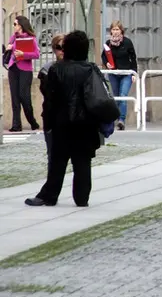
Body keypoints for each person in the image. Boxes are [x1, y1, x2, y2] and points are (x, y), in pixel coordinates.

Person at [25, 31, 105, 207]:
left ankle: (50, 195)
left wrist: (49, 122)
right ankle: (81, 198)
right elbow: (100, 96)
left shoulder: (57, 69)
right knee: (83, 163)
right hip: (86, 123)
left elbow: (50, 98)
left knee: (58, 161)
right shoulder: (91, 69)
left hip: (62, 122)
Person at [5, 15, 40, 132]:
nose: (14, 26)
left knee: (24, 97)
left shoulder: (30, 38)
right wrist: (8, 48)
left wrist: (23, 55)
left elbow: (36, 54)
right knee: (15, 98)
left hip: (25, 70)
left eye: (15, 24)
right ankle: (16, 125)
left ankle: (32, 121)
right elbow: (9, 53)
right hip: (13, 68)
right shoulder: (13, 38)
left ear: (20, 25)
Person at [101, 20, 138, 130]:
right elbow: (103, 56)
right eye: (113, 29)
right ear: (111, 31)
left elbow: (133, 58)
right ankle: (116, 119)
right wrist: (106, 63)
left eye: (117, 29)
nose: (115, 31)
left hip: (126, 73)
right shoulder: (108, 43)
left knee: (123, 95)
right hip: (113, 74)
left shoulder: (127, 42)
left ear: (121, 31)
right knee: (116, 97)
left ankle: (122, 120)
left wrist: (134, 73)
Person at [38, 33, 65, 166]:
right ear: (54, 49)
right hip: (53, 117)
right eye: (60, 47)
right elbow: (47, 93)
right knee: (53, 155)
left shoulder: (79, 68)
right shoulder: (47, 69)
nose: (63, 51)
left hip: (74, 118)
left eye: (66, 47)